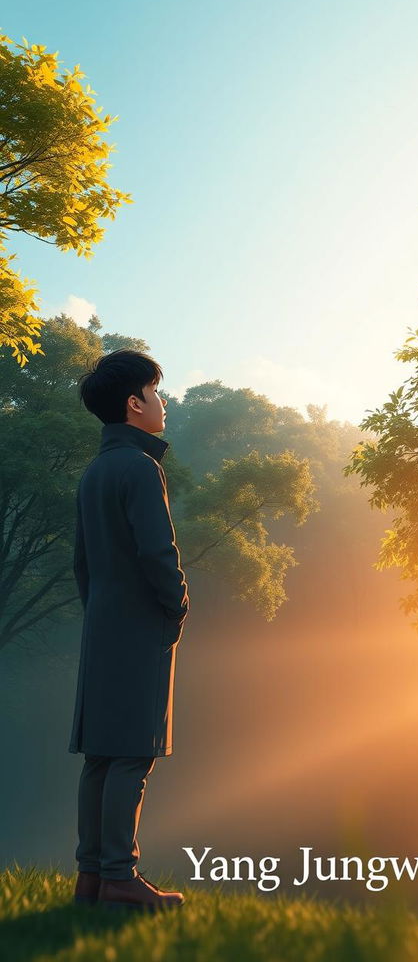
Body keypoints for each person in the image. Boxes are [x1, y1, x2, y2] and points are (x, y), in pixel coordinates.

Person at [69, 349, 189, 911]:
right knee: (131, 755)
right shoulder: (141, 468)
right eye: (155, 392)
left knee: (101, 754)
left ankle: (91, 877)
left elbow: (82, 564)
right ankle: (120, 877)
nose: (162, 403)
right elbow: (157, 551)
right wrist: (176, 605)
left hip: (103, 626)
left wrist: (101, 613)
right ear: (134, 403)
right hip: (140, 627)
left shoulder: (95, 471)